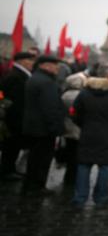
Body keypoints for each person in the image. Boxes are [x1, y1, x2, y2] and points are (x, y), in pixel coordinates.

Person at [71, 62, 108, 208]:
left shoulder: (85, 93)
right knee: (105, 167)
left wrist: (84, 125)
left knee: (83, 165)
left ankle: (79, 198)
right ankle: (101, 198)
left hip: (87, 134)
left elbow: (75, 114)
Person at [21, 55, 66, 195]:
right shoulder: (47, 82)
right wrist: (55, 128)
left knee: (33, 159)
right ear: (44, 65)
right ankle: (36, 187)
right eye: (54, 65)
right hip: (44, 129)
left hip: (34, 126)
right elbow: (50, 108)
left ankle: (30, 186)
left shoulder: (35, 78)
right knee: (41, 160)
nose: (57, 68)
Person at [0, 52, 36, 181]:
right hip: (14, 117)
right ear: (22, 61)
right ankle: (6, 170)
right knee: (11, 145)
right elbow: (15, 100)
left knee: (13, 145)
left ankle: (10, 168)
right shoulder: (16, 76)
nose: (33, 63)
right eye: (30, 60)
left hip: (17, 116)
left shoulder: (20, 74)